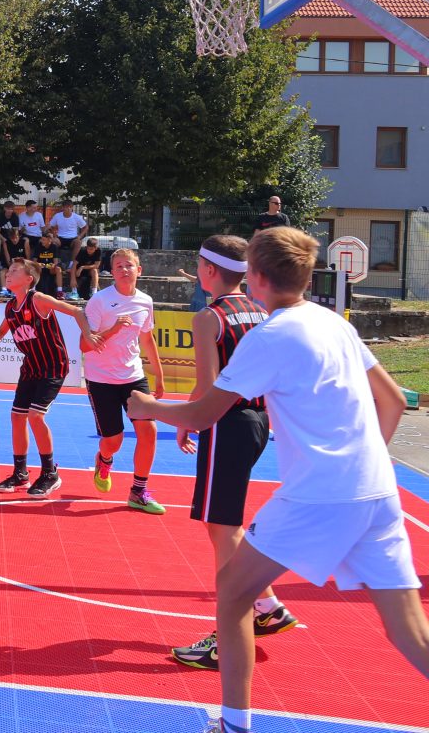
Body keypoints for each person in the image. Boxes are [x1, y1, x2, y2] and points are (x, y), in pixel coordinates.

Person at [129, 228, 428, 733]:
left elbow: (202, 415)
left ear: (256, 276)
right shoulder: (333, 322)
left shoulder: (270, 336)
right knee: (410, 632)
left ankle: (234, 724)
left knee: (233, 591)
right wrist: (362, 463)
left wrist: (147, 406)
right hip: (378, 489)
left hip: (318, 494)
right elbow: (394, 401)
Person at [168, 235, 298, 672]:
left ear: (208, 270)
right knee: (222, 525)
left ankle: (228, 635)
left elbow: (209, 386)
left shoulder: (209, 318)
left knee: (223, 531)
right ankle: (267, 605)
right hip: (257, 421)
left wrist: (184, 416)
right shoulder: (259, 310)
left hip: (227, 423)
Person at [0, 259, 107, 498]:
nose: (8, 274)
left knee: (35, 415)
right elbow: (1, 330)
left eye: (15, 271)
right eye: (8, 270)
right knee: (17, 417)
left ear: (28, 279)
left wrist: (88, 335)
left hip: (53, 366)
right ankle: (20, 473)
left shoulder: (38, 299)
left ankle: (50, 473)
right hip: (31, 367)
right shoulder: (11, 306)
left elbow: (77, 311)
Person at [83, 249, 168, 514]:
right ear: (112, 272)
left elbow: (147, 339)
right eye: (118, 266)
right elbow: (84, 345)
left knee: (149, 431)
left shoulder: (145, 301)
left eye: (128, 265)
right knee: (114, 441)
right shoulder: (99, 301)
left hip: (134, 377)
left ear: (138, 270)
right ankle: (104, 458)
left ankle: (138, 491)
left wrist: (159, 375)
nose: (124, 269)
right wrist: (113, 330)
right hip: (101, 379)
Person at [69, 236, 104, 301]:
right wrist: (72, 279)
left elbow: (96, 265)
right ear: (86, 247)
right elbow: (74, 265)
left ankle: (94, 292)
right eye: (88, 248)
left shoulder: (99, 251)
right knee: (73, 273)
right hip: (78, 271)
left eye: (91, 249)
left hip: (88, 270)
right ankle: (74, 292)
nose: (89, 251)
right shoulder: (82, 251)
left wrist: (82, 267)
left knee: (94, 271)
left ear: (96, 248)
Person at [33, 231, 63, 296]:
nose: (42, 241)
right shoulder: (38, 247)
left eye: (44, 240)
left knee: (58, 269)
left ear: (49, 240)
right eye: (41, 239)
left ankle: (60, 291)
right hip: (40, 268)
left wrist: (52, 265)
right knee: (34, 268)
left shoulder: (54, 247)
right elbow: (34, 262)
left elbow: (55, 262)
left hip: (50, 269)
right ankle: (33, 289)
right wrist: (39, 264)